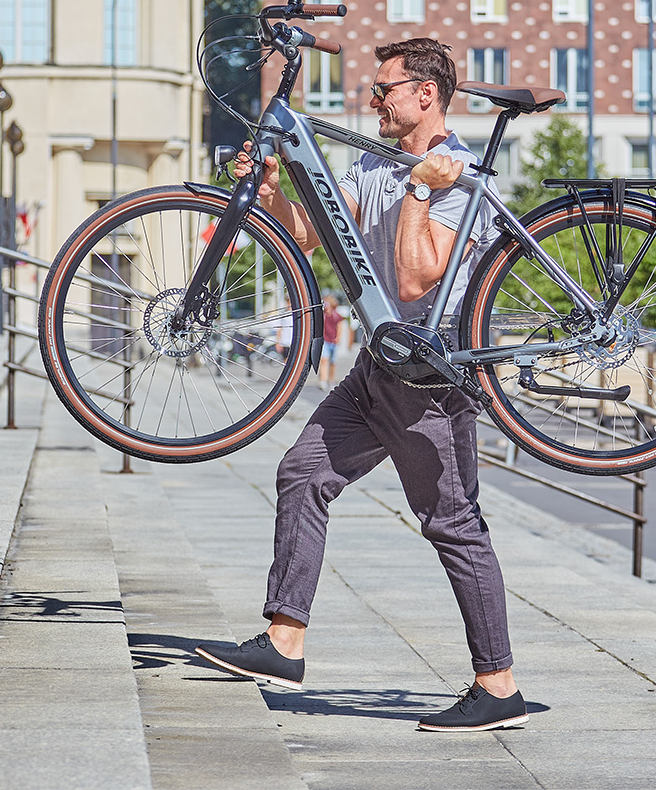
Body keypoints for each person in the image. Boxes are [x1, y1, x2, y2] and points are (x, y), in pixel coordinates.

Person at [196, 38, 527, 732]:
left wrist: (420, 190)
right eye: (373, 90)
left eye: (385, 90)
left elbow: (414, 278)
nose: (372, 100)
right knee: (302, 472)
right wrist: (271, 194)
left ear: (426, 94)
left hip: (430, 380)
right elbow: (312, 238)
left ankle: (498, 686)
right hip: (379, 368)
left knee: (452, 523)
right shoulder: (378, 159)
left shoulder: (460, 177)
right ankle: (285, 640)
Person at [318, 294, 343, 389]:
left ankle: (331, 380)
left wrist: (338, 337)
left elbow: (340, 326)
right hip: (325, 340)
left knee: (333, 362)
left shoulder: (336, 315)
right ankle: (323, 381)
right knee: (324, 360)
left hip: (333, 341)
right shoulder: (322, 315)